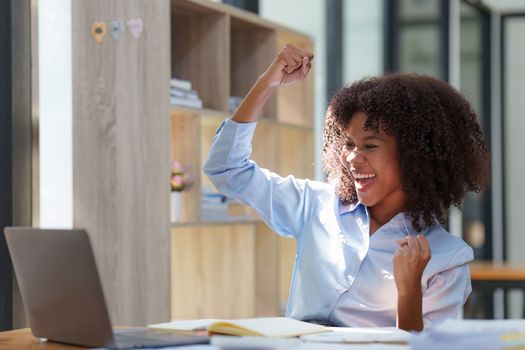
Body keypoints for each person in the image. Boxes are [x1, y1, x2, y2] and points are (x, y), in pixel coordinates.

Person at [204, 44, 490, 331]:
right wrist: (267, 83)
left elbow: (422, 349)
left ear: (415, 155)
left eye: (370, 145)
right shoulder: (315, 205)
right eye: (349, 144)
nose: (352, 157)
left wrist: (409, 290)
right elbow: (226, 170)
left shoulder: (447, 257)